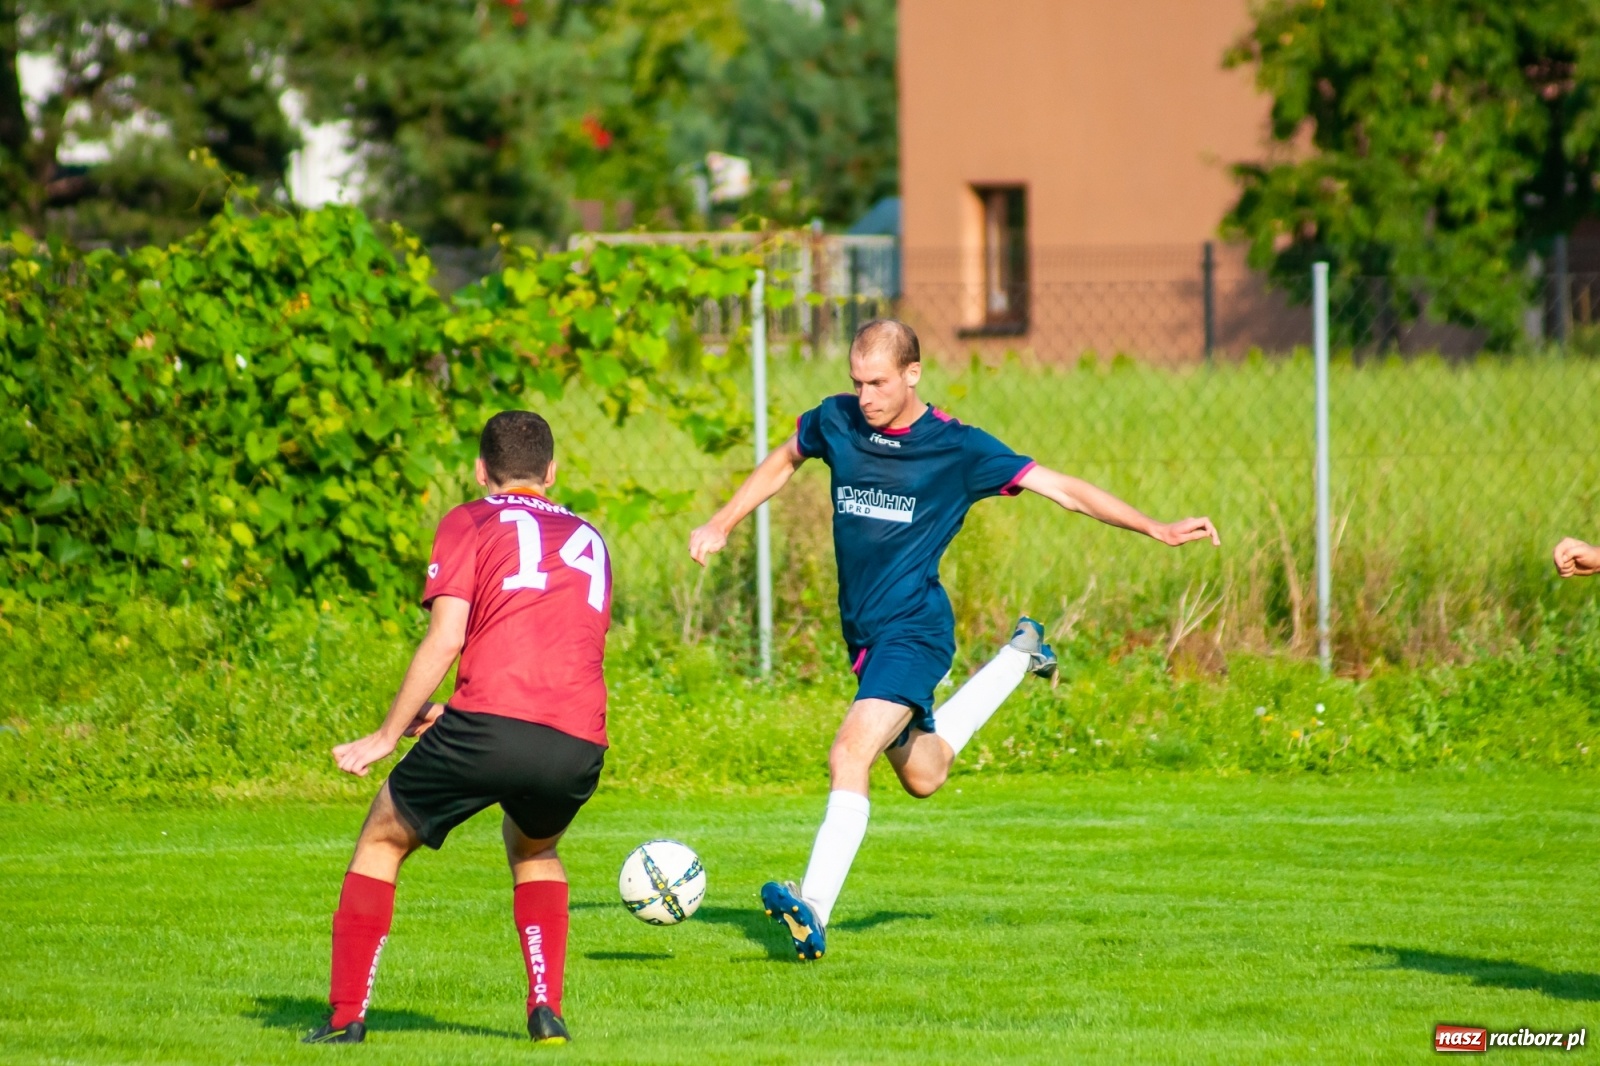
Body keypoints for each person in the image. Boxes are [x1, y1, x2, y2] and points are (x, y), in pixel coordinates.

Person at [688, 319, 1220, 961]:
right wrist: (722, 521)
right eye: (857, 382)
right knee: (924, 774)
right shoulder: (837, 421)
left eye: (878, 382)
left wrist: (1156, 528)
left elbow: (1064, 490)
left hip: (915, 630)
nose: (866, 397)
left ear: (912, 373)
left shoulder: (958, 448)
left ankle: (814, 909)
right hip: (864, 633)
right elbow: (785, 458)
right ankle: (1019, 656)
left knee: (848, 753)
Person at [303, 410, 612, 1046]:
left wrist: (387, 734)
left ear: (480, 470)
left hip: (493, 726)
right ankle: (545, 1010)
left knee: (382, 838)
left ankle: (344, 1019)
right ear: (551, 473)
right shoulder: (591, 536)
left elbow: (446, 638)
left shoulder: (469, 518)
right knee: (535, 849)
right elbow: (558, 647)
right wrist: (461, 710)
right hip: (577, 739)